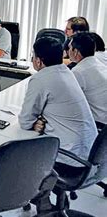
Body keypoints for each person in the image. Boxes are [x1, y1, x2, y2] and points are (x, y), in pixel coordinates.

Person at [18, 37, 97, 166]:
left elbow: (25, 121)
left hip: (70, 157)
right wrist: (41, 119)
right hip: (90, 152)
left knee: (20, 154)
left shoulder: (40, 79)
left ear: (38, 61)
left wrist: (36, 122)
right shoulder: (67, 72)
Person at [68, 32, 107, 126]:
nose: (67, 51)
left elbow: (66, 100)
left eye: (69, 48)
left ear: (76, 51)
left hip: (96, 124)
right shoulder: (98, 64)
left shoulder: (79, 71)